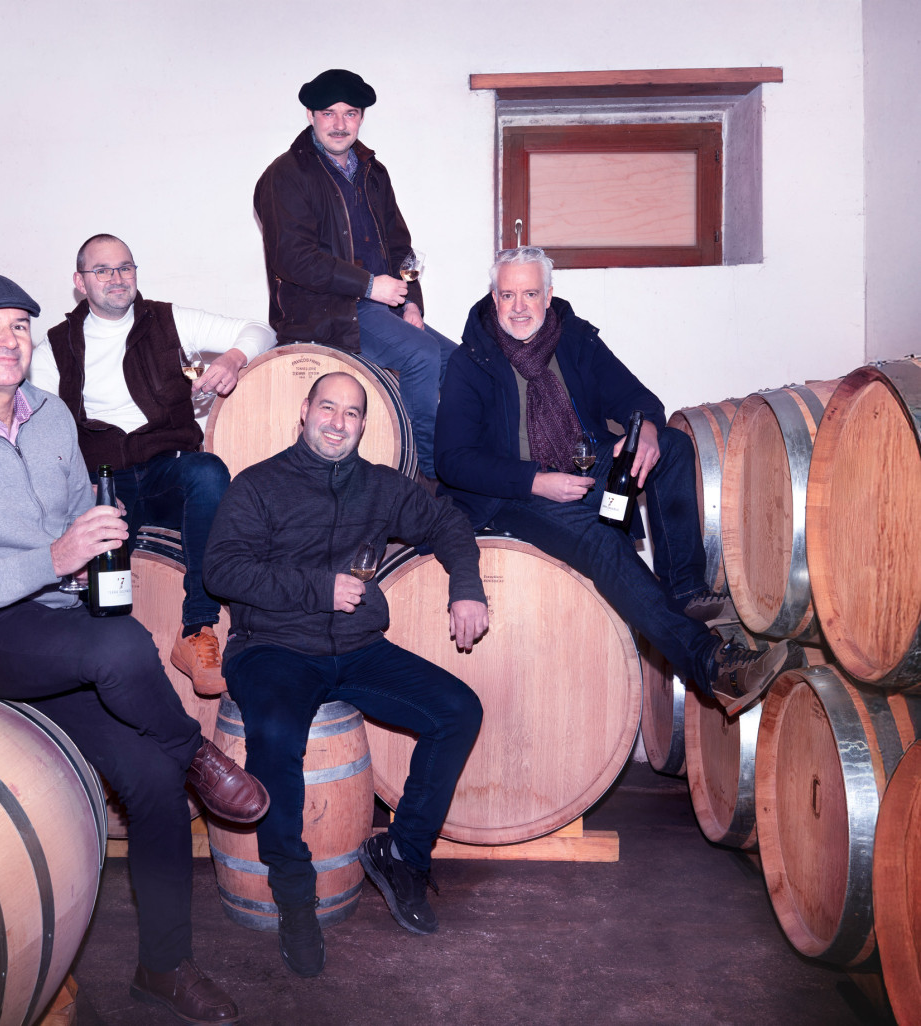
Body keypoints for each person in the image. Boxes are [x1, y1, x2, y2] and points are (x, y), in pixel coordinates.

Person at [0, 272, 271, 1026]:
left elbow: (69, 518)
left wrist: (92, 536)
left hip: (54, 628)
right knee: (119, 649)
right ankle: (197, 752)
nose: (8, 339)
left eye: (19, 325)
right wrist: (52, 559)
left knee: (151, 783)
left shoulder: (52, 417)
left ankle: (164, 967)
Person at [202, 371, 487, 978]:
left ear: (363, 424)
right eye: (326, 408)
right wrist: (316, 589)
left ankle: (404, 853)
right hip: (274, 648)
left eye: (351, 413)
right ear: (304, 411)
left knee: (457, 710)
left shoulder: (381, 487)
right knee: (275, 742)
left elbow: (447, 525)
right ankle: (294, 892)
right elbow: (221, 571)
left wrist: (466, 588)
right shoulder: (258, 485)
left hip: (357, 647)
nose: (337, 422)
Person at [434, 247, 800, 713]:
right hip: (513, 496)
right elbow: (452, 460)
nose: (520, 306)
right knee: (604, 543)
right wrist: (535, 481)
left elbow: (637, 397)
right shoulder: (473, 361)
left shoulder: (574, 339)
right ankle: (713, 666)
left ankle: (684, 589)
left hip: (586, 471)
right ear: (493, 297)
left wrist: (645, 426)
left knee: (672, 446)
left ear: (549, 295)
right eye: (508, 295)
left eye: (530, 293)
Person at [30, 234, 276, 694]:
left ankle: (197, 630)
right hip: (103, 484)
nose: (117, 278)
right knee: (95, 585)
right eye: (102, 270)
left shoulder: (167, 319)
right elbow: (42, 436)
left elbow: (261, 331)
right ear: (80, 282)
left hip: (168, 472)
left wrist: (232, 358)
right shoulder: (53, 349)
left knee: (207, 472)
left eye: (125, 267)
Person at [254, 68, 457, 487]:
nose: (340, 124)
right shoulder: (285, 175)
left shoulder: (372, 172)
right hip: (324, 312)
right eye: (328, 113)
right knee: (421, 356)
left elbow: (402, 247)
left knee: (460, 364)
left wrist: (412, 301)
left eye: (350, 113)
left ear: (361, 117)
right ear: (311, 116)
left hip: (382, 305)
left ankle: (465, 459)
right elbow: (292, 259)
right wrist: (369, 285)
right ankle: (434, 478)